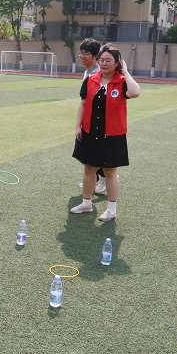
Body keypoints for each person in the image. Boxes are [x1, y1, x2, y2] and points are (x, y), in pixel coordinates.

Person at [71, 44, 141, 221]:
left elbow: (135, 92)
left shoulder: (122, 81)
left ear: (117, 63)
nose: (104, 63)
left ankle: (111, 209)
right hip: (90, 132)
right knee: (89, 168)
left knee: (110, 172)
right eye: (101, 60)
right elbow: (83, 103)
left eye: (108, 60)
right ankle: (86, 203)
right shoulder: (91, 79)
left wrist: (125, 71)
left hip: (112, 134)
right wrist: (78, 126)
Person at [77, 38, 108, 195]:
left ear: (96, 56)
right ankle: (93, 179)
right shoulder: (88, 72)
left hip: (98, 121)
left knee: (95, 153)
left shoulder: (99, 74)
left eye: (86, 53)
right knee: (87, 153)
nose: (82, 56)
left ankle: (105, 178)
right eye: (81, 53)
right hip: (88, 119)